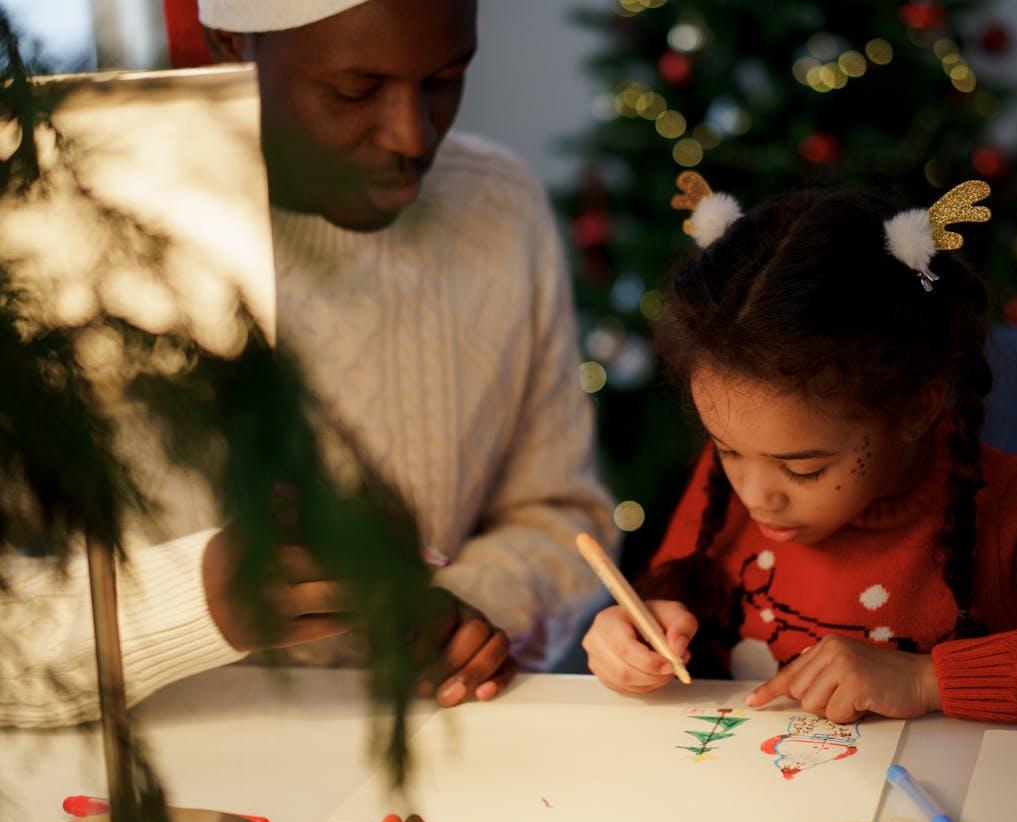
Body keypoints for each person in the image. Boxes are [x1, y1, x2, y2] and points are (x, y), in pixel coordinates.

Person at [0, 0, 615, 726]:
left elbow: (560, 512)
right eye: (354, 91)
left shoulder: (497, 208)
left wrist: (468, 614)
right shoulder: (66, 227)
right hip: (154, 766)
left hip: (435, 746)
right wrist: (191, 602)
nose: (412, 136)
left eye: (446, 79)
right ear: (231, 41)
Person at [582, 175, 1017, 727]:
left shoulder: (1010, 513)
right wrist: (633, 632)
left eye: (804, 467)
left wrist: (928, 679)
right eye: (728, 450)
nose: (756, 493)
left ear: (914, 406)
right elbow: (666, 602)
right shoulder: (726, 484)